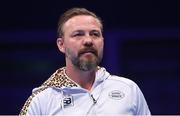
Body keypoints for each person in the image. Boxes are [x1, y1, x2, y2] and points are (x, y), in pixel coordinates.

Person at [20, 7, 151, 115]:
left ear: (103, 42)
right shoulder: (41, 100)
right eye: (78, 34)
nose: (88, 40)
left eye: (95, 34)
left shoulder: (129, 89)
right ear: (61, 45)